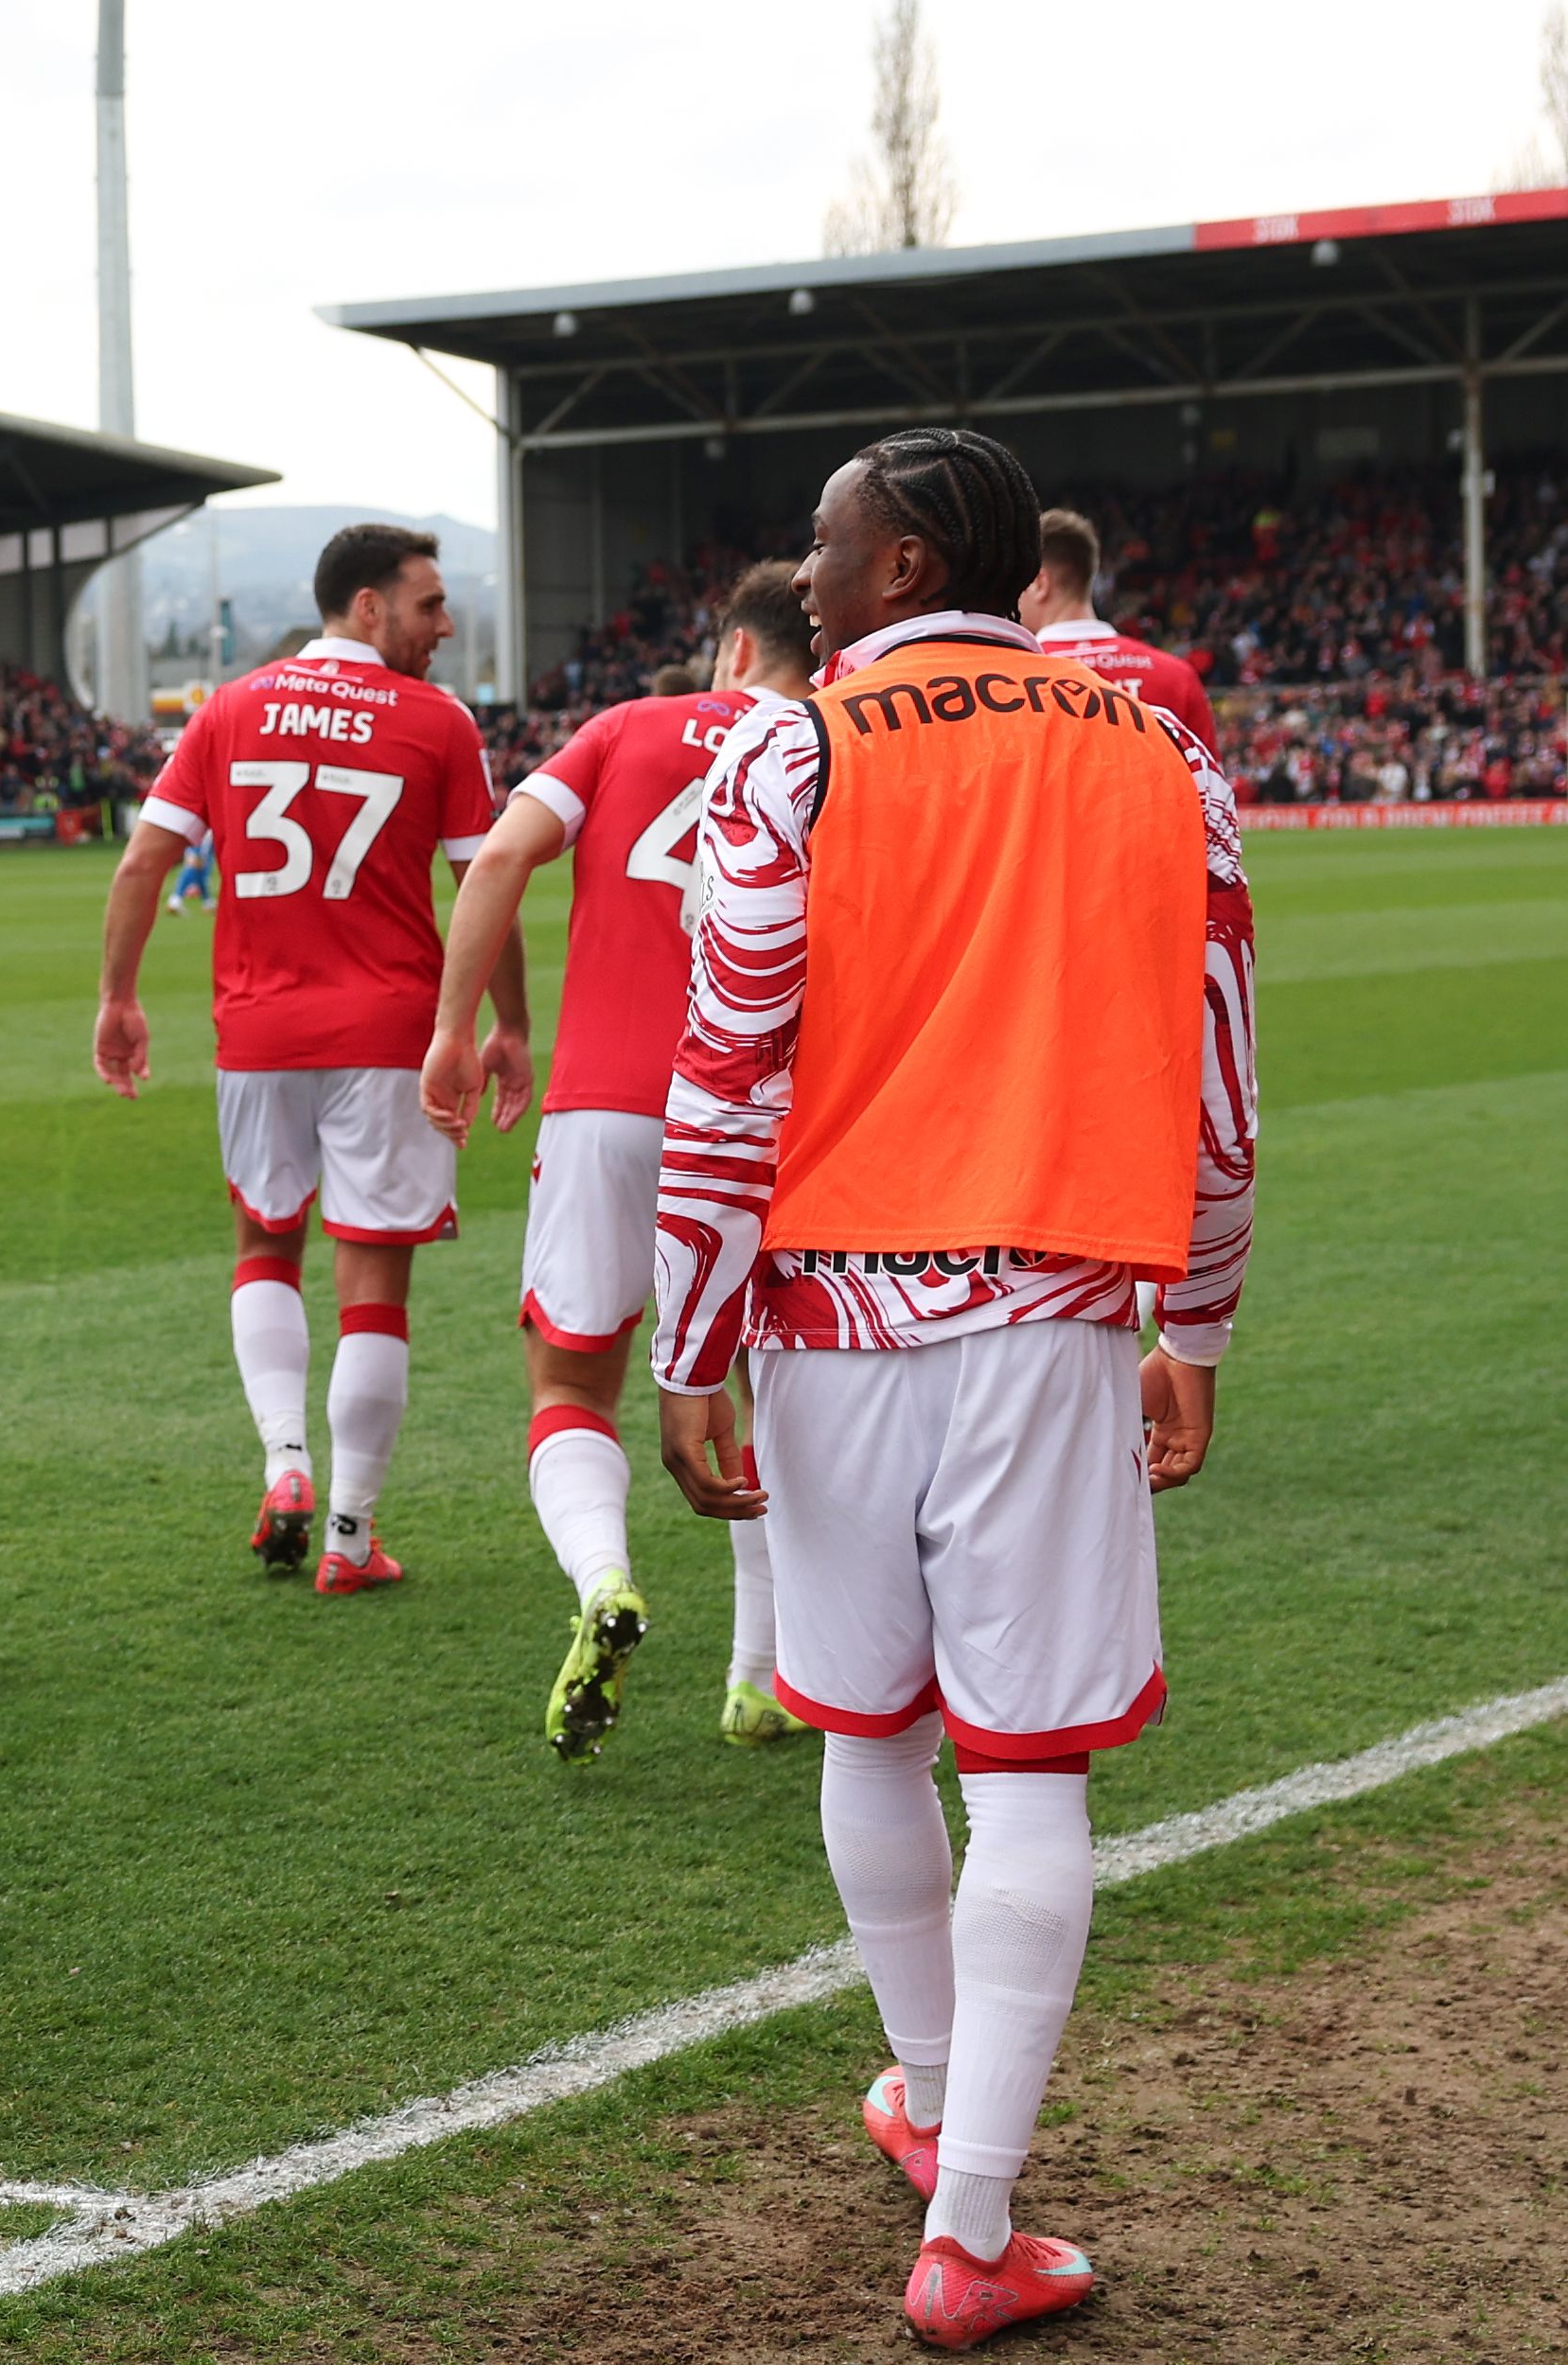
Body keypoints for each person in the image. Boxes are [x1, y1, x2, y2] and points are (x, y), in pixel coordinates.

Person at [651, 429, 1255, 2352]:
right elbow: (1218, 1092)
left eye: (823, 547)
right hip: (1057, 1308)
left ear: (905, 560)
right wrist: (1202, 1329)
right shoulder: (1159, 756)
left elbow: (724, 1066)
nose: (798, 576)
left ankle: (933, 2113)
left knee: (868, 1727)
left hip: (829, 1318)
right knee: (1026, 1763)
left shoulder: (782, 747)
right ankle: (963, 2202)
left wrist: (687, 1338)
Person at [425, 561, 814, 1762]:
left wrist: (463, 1032)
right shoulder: (837, 746)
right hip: (765, 1115)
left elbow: (493, 860)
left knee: (572, 1381)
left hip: (604, 1109)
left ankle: (604, 1579)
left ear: (731, 650)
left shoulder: (627, 728)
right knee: (763, 1387)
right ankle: (762, 1676)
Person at [97, 524, 519, 1595]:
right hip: (389, 1035)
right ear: (368, 608)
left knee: (263, 1241)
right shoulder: (438, 721)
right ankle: (347, 1537)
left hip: (261, 1033)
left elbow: (147, 861)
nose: (446, 624)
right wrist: (502, 1023)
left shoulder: (230, 708)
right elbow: (487, 886)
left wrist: (118, 997)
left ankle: (283, 1461)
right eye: (429, 604)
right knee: (374, 1280)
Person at [1017, 509, 1218, 750]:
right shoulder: (1175, 677)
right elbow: (1209, 784)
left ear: (1040, 583)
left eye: (1018, 583)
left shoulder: (1011, 684)